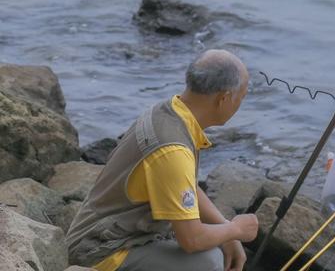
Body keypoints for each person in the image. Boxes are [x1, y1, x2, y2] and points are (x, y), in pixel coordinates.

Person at [66, 49, 259, 271]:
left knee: (212, 244)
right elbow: (192, 240)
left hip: (100, 230)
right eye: (242, 97)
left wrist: (225, 230)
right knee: (208, 263)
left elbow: (186, 187)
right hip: (99, 249)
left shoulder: (167, 111)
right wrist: (236, 230)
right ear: (224, 99)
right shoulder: (173, 150)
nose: (240, 104)